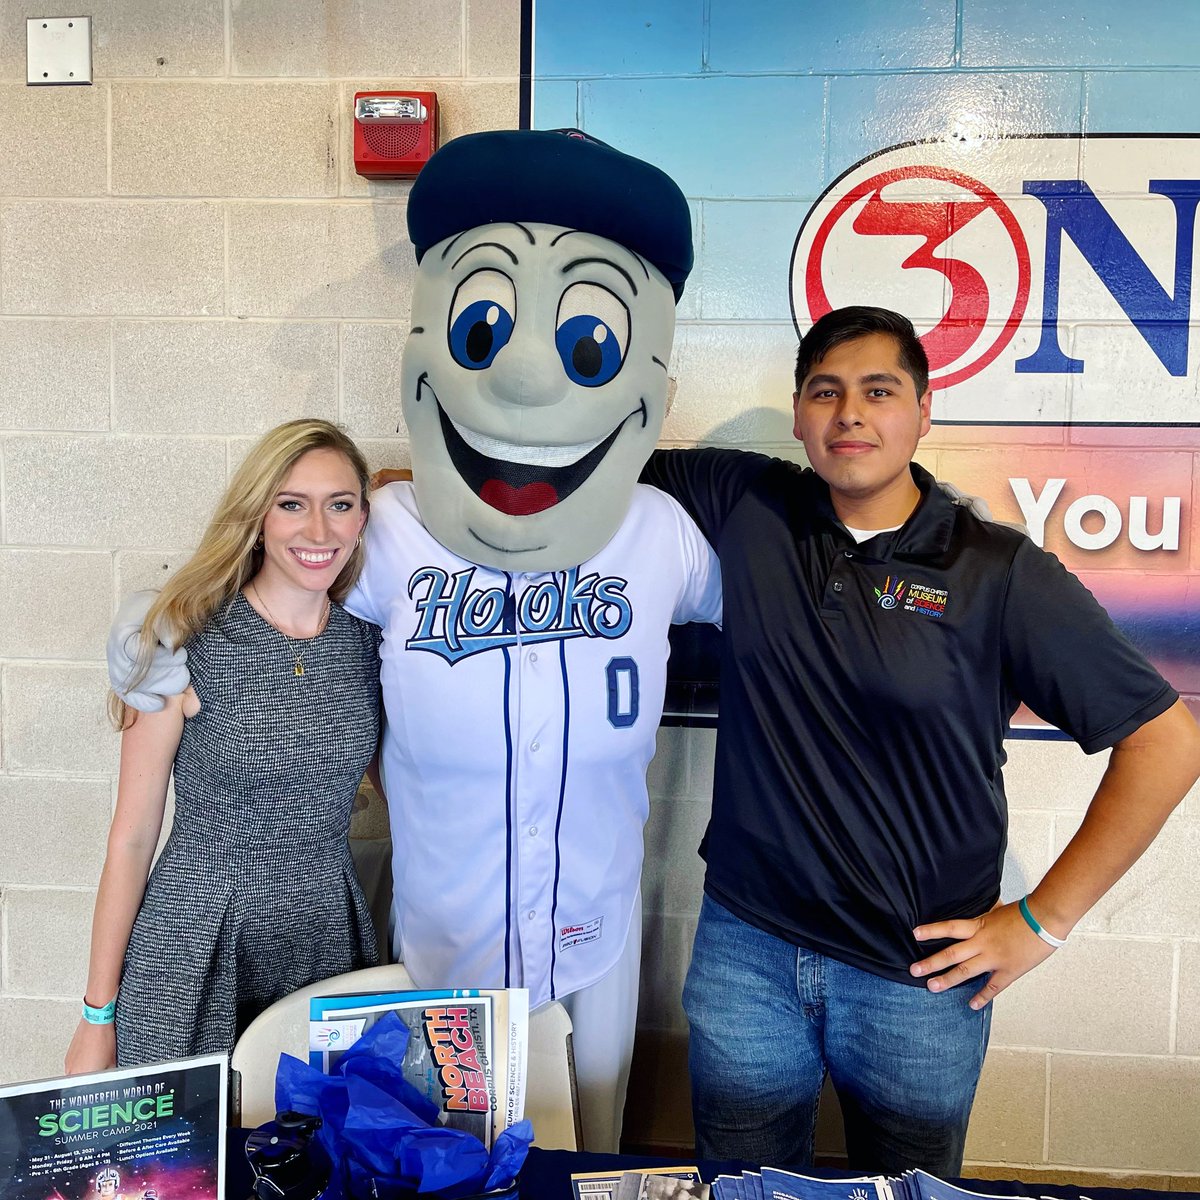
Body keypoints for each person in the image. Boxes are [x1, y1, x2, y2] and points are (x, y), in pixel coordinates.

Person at [105, 129, 721, 1152]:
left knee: (590, 1155)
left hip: (596, 941)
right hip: (436, 946)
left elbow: (777, 618)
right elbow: (261, 577)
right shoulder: (387, 530)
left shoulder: (658, 534)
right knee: (433, 1156)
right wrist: (151, 641)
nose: (531, 379)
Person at [642, 306, 1200, 1174]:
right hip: (747, 948)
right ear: (798, 415)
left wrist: (1040, 924)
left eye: (879, 391)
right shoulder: (746, 502)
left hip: (920, 979)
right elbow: (570, 466)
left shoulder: (994, 569)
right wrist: (420, 494)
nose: (849, 413)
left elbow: (1168, 742)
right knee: (744, 1189)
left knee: (912, 1195)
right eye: (824, 392)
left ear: (924, 409)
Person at [67, 420, 382, 1073]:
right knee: (181, 1164)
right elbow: (130, 837)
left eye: (340, 505)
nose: (318, 531)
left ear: (362, 518)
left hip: (327, 934)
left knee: (320, 1157)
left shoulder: (370, 645)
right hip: (197, 938)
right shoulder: (180, 640)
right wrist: (97, 1016)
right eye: (292, 504)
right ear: (257, 517)